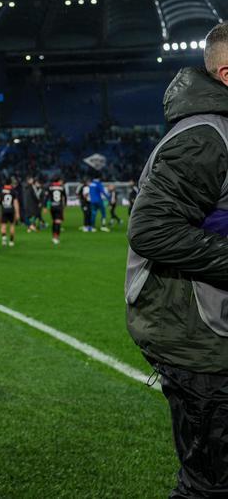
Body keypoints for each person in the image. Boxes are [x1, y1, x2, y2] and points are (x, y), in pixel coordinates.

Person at [126, 24, 228, 498]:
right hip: (201, 342)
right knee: (209, 486)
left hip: (213, 333)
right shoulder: (205, 136)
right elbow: (152, 230)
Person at [0, 178, 20, 247]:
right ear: (10, 183)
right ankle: (11, 242)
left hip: (4, 210)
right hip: (11, 210)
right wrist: (17, 213)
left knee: (3, 226)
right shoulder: (13, 191)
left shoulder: (1, 190)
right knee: (12, 225)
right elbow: (15, 202)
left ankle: (4, 240)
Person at [47, 177, 66, 245]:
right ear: (59, 181)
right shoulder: (62, 187)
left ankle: (53, 237)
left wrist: (46, 206)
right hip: (59, 207)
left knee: (54, 222)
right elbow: (65, 197)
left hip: (52, 207)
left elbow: (47, 197)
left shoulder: (50, 187)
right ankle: (56, 238)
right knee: (58, 222)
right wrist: (64, 206)